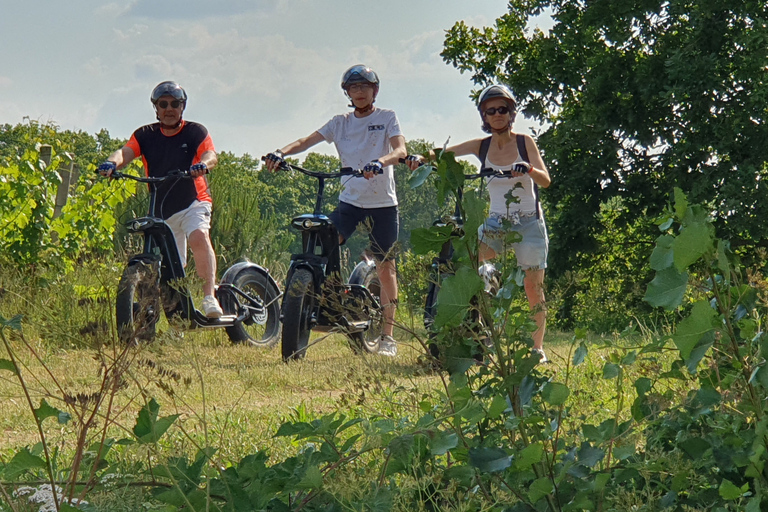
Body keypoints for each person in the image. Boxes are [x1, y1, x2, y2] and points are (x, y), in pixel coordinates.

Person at [264, 64, 407, 356]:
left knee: (385, 266)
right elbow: (307, 141)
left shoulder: (387, 117)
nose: (359, 92)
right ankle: (326, 297)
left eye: (365, 87)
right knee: (322, 241)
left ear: (375, 91)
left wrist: (381, 161)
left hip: (382, 203)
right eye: (354, 88)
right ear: (347, 93)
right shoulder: (339, 122)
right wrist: (280, 152)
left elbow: (400, 150)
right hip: (351, 200)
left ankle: (388, 337)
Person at [405, 84, 551, 363]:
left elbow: (545, 179)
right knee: (463, 262)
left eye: (502, 109)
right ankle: (476, 319)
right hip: (496, 224)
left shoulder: (524, 142)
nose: (497, 114)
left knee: (534, 288)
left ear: (511, 113)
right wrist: (420, 158)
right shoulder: (481, 146)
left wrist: (528, 169)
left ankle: (537, 349)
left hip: (528, 224)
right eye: (490, 110)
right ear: (483, 116)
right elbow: (445, 153)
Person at [98, 81, 223, 318]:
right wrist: (112, 163)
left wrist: (202, 165)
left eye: (175, 104)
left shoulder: (195, 131)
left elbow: (210, 154)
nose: (169, 109)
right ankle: (177, 318)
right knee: (171, 267)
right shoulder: (145, 134)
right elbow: (125, 152)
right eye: (163, 104)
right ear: (155, 107)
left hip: (193, 201)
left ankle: (209, 297)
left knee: (198, 236)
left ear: (182, 107)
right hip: (163, 209)